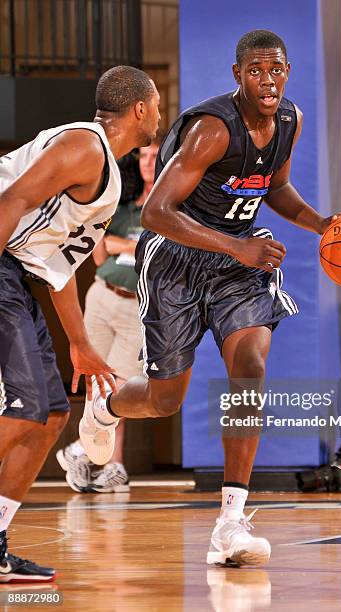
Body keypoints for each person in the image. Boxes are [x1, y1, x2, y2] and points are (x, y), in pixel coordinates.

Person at [79, 30, 341, 567]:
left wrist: (321, 223)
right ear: (238, 76)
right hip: (176, 262)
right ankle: (105, 408)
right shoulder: (212, 130)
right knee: (167, 400)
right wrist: (237, 246)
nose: (268, 80)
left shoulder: (289, 122)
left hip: (238, 265)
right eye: (256, 71)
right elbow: (157, 213)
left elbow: (274, 187)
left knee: (251, 367)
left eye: (276, 70)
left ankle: (230, 521)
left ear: (287, 72)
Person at [0, 65, 160, 582]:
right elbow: (11, 201)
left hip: (18, 272)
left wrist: (80, 343)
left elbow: (57, 265)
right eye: (157, 105)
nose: (159, 114)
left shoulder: (107, 178)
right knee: (24, 411)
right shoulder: (85, 146)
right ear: (140, 109)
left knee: (48, 415)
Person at [57, 141, 161, 493]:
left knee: (120, 383)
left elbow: (159, 255)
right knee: (96, 381)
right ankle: (106, 463)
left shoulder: (168, 208)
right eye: (144, 156)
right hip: (102, 295)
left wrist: (126, 245)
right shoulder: (124, 206)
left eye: (154, 157)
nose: (148, 162)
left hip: (136, 305)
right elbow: (100, 256)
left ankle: (85, 452)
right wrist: (118, 243)